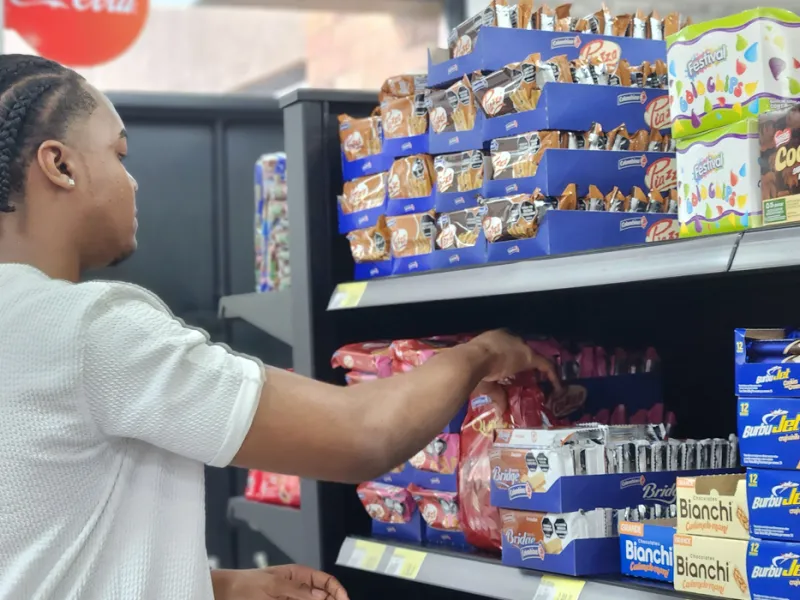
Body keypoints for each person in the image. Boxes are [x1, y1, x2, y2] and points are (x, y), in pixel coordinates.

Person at [0, 55, 558, 600]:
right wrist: (483, 353)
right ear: (61, 166)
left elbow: (43, 552)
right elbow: (361, 435)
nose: (135, 183)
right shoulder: (92, 331)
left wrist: (220, 586)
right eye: (120, 155)